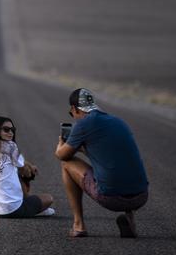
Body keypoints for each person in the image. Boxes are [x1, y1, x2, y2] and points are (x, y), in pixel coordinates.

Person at [55, 88, 149, 238]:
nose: (74, 118)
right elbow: (107, 155)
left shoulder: (83, 124)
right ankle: (130, 219)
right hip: (141, 196)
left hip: (112, 199)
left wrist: (61, 143)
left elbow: (61, 155)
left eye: (71, 113)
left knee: (67, 164)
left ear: (74, 108)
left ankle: (78, 225)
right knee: (120, 166)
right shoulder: (119, 121)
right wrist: (83, 150)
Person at [0, 116, 55, 218]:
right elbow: (25, 170)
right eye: (6, 129)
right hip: (11, 209)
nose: (10, 133)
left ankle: (28, 205)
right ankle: (32, 209)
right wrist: (30, 169)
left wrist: (28, 165)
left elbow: (21, 162)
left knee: (15, 171)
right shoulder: (11, 146)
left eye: (12, 130)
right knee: (49, 198)